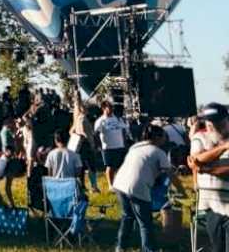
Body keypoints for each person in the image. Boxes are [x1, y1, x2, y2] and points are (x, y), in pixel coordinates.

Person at [112, 124, 182, 252]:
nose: (165, 139)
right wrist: (183, 192)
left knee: (127, 216)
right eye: (164, 137)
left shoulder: (135, 146)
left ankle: (120, 247)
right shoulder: (159, 152)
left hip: (119, 184)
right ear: (157, 137)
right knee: (145, 223)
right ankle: (149, 249)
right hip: (136, 187)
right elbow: (171, 175)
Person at [189, 102, 229, 252]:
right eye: (208, 122)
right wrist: (224, 147)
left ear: (227, 120)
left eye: (217, 122)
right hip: (211, 207)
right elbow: (196, 159)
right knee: (217, 247)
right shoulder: (200, 137)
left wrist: (205, 169)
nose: (211, 125)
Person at [94, 102, 129, 188]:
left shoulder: (118, 119)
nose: (111, 109)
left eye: (111, 107)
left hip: (119, 145)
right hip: (108, 147)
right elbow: (95, 134)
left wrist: (124, 143)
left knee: (121, 166)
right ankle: (111, 185)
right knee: (110, 167)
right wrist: (98, 146)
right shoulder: (100, 121)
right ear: (103, 108)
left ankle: (120, 183)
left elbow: (123, 130)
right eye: (108, 107)